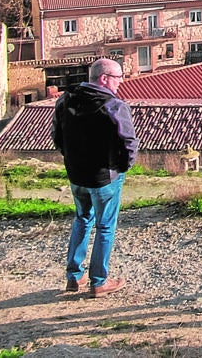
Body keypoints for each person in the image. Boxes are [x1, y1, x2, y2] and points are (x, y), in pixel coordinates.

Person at [52, 58, 139, 298]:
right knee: (104, 226)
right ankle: (98, 281)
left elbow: (57, 136)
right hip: (105, 177)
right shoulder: (113, 105)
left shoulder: (65, 100)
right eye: (118, 77)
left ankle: (74, 276)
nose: (121, 82)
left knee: (82, 219)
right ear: (104, 78)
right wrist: (124, 166)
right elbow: (129, 142)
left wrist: (70, 159)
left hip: (76, 175)